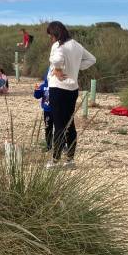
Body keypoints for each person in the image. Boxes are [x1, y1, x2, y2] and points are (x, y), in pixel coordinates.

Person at [45, 21, 96, 169]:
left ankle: (55, 161)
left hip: (58, 88)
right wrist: (74, 66)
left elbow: (55, 59)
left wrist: (58, 68)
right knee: (70, 124)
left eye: (51, 36)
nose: (51, 39)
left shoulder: (58, 45)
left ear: (55, 33)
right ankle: (70, 160)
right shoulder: (77, 45)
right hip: (72, 89)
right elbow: (92, 59)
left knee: (59, 125)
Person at [33, 70, 53, 151]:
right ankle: (49, 145)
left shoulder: (59, 86)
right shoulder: (43, 86)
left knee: (60, 128)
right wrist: (37, 90)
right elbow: (37, 96)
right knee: (48, 128)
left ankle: (61, 145)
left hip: (58, 110)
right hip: (47, 111)